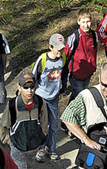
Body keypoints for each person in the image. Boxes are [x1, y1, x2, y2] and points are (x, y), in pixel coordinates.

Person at [61, 61, 107, 169]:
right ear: (99, 78)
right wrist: (86, 139)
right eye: (104, 84)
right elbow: (67, 117)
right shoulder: (86, 97)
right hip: (94, 160)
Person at [0, 69, 48, 168]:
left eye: (32, 87)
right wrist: (10, 142)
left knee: (30, 166)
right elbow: (3, 126)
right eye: (25, 87)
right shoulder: (12, 105)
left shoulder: (40, 103)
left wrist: (41, 137)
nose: (29, 90)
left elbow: (44, 122)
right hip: (17, 148)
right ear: (19, 87)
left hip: (33, 147)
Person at [31, 33, 68, 162]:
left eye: (62, 48)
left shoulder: (63, 57)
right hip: (41, 97)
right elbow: (33, 77)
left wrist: (64, 87)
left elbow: (65, 73)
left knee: (53, 125)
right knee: (43, 125)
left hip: (54, 98)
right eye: (58, 48)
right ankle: (41, 148)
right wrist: (31, 94)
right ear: (50, 47)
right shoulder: (42, 59)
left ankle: (51, 148)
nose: (61, 51)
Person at [64, 8, 99, 103]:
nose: (86, 25)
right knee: (81, 96)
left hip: (88, 72)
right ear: (78, 22)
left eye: (88, 21)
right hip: (76, 74)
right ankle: (73, 114)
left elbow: (94, 52)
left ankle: (70, 112)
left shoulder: (94, 35)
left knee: (77, 95)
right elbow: (66, 54)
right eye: (83, 22)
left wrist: (93, 67)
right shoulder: (74, 37)